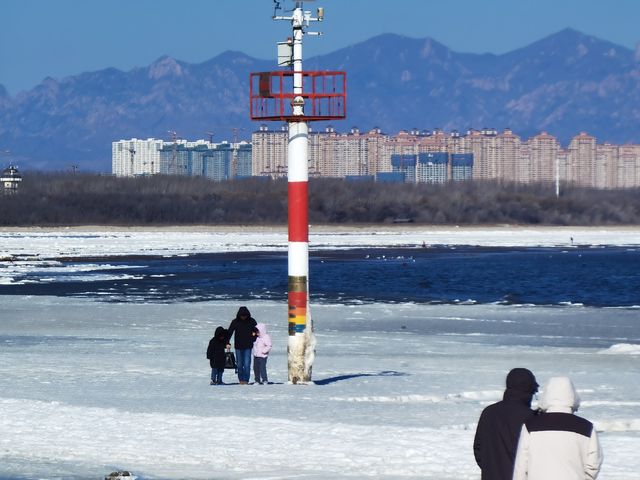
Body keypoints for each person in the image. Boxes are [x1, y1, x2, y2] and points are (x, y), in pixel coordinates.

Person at [512, 376, 603, 480]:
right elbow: (593, 464)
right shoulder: (586, 427)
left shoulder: (531, 426)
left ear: (546, 396)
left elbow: (521, 466)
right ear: (572, 396)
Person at [473, 368, 539, 480]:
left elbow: (479, 449)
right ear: (529, 391)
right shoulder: (533, 418)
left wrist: (491, 470)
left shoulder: (489, 413)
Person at [226, 306, 258, 385]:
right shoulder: (235, 322)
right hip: (238, 346)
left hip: (248, 346)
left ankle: (246, 380)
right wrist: (227, 342)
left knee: (247, 364)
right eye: (242, 316)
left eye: (245, 315)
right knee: (239, 365)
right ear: (239, 315)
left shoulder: (252, 321)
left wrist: (254, 337)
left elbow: (257, 332)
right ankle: (241, 380)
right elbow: (229, 332)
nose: (243, 317)